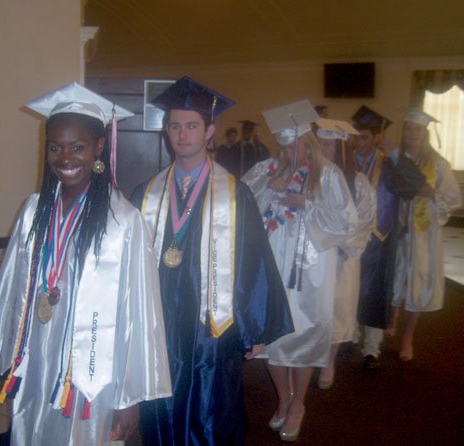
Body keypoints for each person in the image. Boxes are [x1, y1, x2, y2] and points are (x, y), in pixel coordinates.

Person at [0, 82, 172, 446]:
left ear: (99, 146)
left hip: (93, 369)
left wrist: (131, 398)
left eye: (77, 147)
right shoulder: (34, 211)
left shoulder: (124, 222)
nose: (65, 158)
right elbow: (10, 293)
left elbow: (140, 315)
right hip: (38, 361)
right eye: (55, 147)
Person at [131, 76, 293, 445]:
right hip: (161, 324)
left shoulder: (236, 195)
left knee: (211, 409)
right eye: (174, 126)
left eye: (191, 126)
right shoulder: (146, 193)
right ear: (166, 132)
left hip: (212, 327)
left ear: (209, 131)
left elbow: (253, 262)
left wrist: (255, 328)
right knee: (160, 405)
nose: (182, 134)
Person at [242, 99, 358, 442]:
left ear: (307, 141)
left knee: (304, 334)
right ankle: (283, 398)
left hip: (310, 271)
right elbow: (241, 205)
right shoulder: (265, 170)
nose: (288, 150)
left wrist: (306, 204)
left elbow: (346, 220)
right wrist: (268, 191)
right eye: (283, 143)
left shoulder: (328, 174)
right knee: (274, 337)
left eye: (294, 143)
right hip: (272, 265)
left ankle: (298, 404)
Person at [388, 108, 461, 361]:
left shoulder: (438, 164)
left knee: (418, 281)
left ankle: (408, 336)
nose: (412, 133)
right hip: (397, 230)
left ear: (425, 133)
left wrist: (431, 194)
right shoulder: (394, 158)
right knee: (394, 277)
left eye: (417, 129)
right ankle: (392, 319)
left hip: (423, 234)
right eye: (408, 128)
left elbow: (453, 199)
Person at [315, 118, 376, 387]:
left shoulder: (358, 182)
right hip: (315, 255)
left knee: (339, 306)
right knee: (314, 307)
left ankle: (329, 359)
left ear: (340, 148)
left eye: (328, 145)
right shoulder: (310, 176)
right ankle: (311, 353)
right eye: (319, 143)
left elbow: (365, 219)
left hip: (341, 254)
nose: (323, 149)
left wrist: (338, 242)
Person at [350, 105, 402, 370]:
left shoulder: (389, 163)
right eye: (356, 136)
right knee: (352, 287)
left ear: (377, 138)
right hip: (351, 238)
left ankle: (371, 348)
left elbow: (410, 184)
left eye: (365, 137)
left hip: (380, 236)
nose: (359, 142)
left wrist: (393, 151)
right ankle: (352, 335)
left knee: (375, 293)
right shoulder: (345, 163)